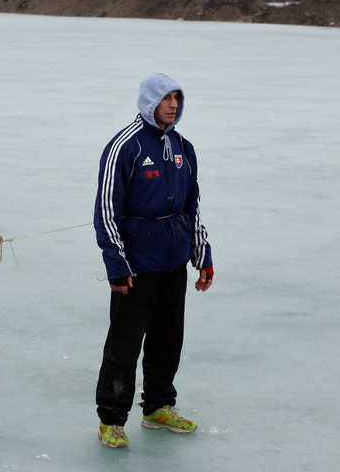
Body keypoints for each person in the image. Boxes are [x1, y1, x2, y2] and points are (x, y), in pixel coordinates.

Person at [93, 72, 214, 449]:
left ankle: (158, 407)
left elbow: (190, 207)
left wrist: (202, 253)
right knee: (124, 344)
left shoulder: (183, 147)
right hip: (136, 266)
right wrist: (117, 264)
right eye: (166, 98)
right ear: (150, 102)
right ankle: (111, 420)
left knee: (167, 340)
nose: (173, 105)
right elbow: (106, 212)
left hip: (173, 262)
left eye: (177, 98)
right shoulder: (124, 147)